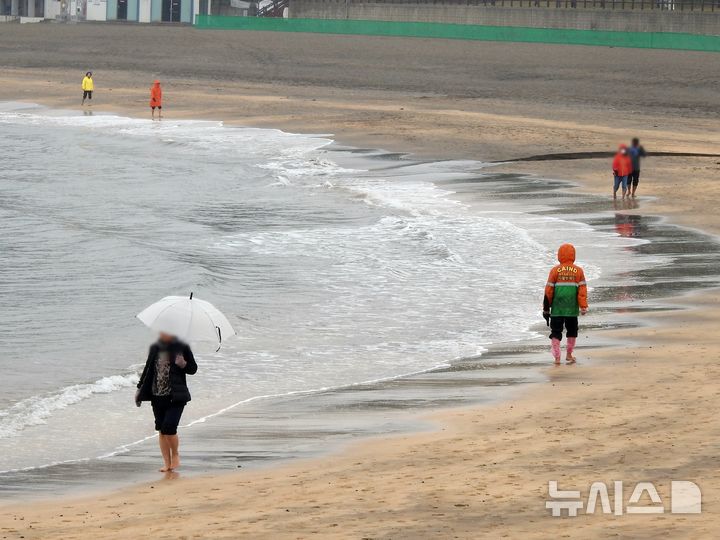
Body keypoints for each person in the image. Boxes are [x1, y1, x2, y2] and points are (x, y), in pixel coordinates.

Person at [135, 333, 197, 472]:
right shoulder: (155, 347)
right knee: (161, 430)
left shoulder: (182, 347)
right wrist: (139, 389)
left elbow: (193, 369)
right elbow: (147, 370)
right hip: (156, 396)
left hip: (175, 396)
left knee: (169, 427)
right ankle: (167, 463)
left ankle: (175, 454)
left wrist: (184, 364)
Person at [542, 243, 588, 365]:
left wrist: (546, 308)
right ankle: (569, 354)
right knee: (572, 331)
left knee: (556, 331)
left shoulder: (554, 270)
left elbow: (549, 291)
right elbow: (582, 291)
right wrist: (583, 306)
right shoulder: (578, 271)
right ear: (573, 255)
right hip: (572, 309)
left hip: (557, 309)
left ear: (559, 255)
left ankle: (557, 357)